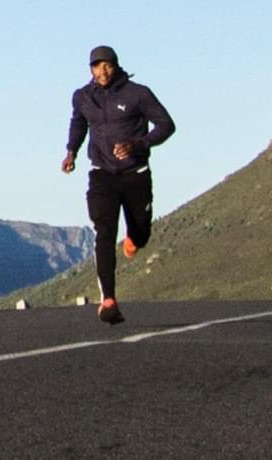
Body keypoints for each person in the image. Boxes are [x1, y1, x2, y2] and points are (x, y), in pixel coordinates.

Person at [61, 45, 175, 324]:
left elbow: (166, 125)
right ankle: (108, 299)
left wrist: (139, 144)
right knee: (104, 230)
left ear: (116, 66)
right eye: (97, 66)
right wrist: (71, 152)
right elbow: (78, 124)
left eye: (107, 65)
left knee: (141, 231)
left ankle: (135, 237)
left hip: (135, 172)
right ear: (90, 69)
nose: (102, 71)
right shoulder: (83, 97)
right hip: (102, 173)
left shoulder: (138, 94)